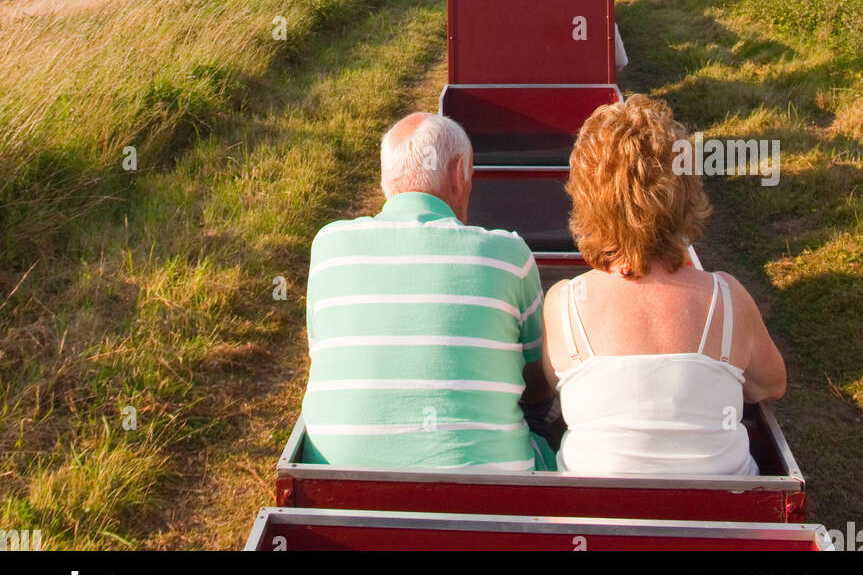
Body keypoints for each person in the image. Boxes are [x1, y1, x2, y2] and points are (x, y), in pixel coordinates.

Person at [542, 94, 786, 476]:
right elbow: (770, 386)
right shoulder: (727, 298)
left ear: (585, 198)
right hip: (723, 522)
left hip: (595, 525)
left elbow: (553, 385)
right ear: (685, 191)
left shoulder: (564, 304)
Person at [300, 112, 556, 471]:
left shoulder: (328, 245)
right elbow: (537, 380)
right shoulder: (509, 255)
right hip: (497, 492)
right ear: (458, 173)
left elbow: (321, 349)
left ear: (385, 177)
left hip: (334, 485)